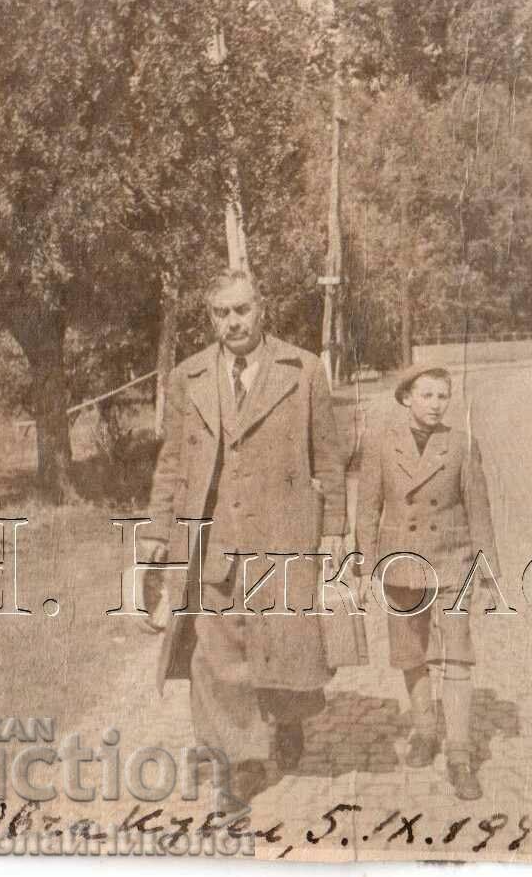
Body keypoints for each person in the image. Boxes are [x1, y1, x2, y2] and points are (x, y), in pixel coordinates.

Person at [142, 268, 348, 806]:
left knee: (282, 645)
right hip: (211, 540)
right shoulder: (190, 377)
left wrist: (333, 535)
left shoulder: (302, 370)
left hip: (283, 536)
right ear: (210, 317)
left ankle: (287, 716)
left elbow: (327, 457)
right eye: (221, 313)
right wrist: (157, 534)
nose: (232, 322)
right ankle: (237, 762)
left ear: (261, 310)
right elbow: (171, 465)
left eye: (241, 310)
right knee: (214, 657)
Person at [355, 365, 499, 801]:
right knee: (410, 653)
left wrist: (487, 573)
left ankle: (460, 754)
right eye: (428, 395)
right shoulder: (380, 443)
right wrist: (363, 568)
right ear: (406, 398)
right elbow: (366, 509)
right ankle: (424, 730)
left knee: (457, 656)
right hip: (400, 563)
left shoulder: (461, 444)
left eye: (443, 396)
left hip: (452, 561)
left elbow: (479, 510)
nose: (437, 404)